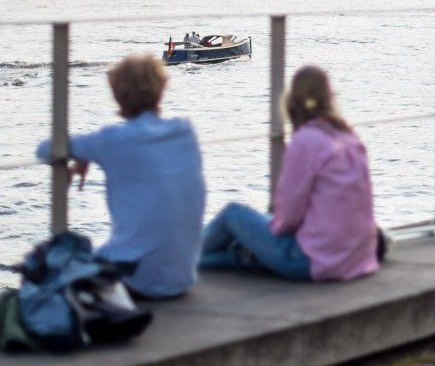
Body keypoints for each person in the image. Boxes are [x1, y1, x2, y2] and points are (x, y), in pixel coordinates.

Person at [36, 54, 206, 298]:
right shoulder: (185, 131)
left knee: (51, 264)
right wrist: (88, 154)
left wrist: (84, 153)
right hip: (181, 278)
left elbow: (45, 149)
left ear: (115, 94)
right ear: (162, 88)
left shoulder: (111, 139)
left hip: (137, 279)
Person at [198, 65, 378, 281]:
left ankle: (184, 255)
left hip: (312, 260)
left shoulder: (307, 140)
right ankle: (223, 257)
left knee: (233, 214)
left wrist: (265, 235)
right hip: (355, 259)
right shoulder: (349, 139)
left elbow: (288, 217)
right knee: (247, 240)